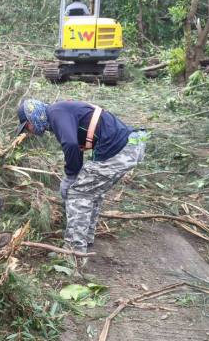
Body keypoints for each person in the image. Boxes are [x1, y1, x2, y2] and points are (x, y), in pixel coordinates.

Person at [15, 98, 147, 266]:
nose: (30, 131)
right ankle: (86, 239)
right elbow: (77, 143)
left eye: (28, 126)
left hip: (120, 150)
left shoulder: (55, 113)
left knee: (78, 193)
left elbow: (70, 143)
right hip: (129, 146)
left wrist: (71, 176)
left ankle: (74, 254)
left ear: (34, 116)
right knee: (92, 192)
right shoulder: (60, 112)